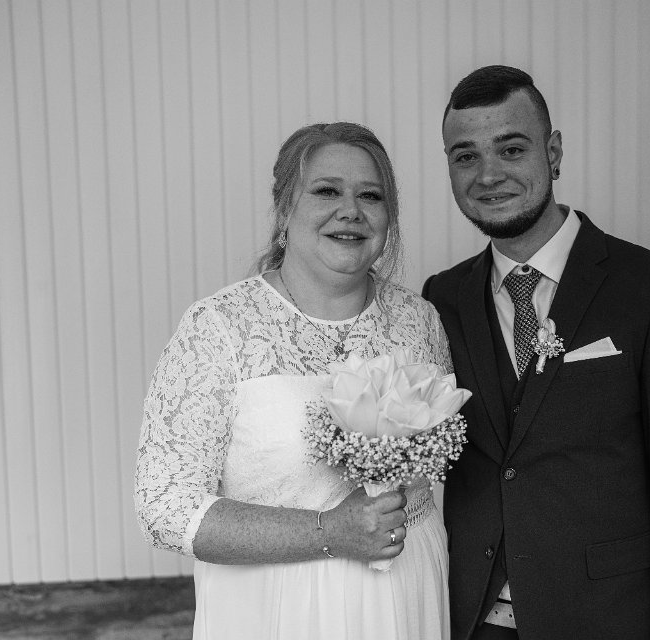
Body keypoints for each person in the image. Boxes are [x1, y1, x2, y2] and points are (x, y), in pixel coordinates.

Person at [422, 66, 650, 640]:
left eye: (511, 149)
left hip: (607, 621)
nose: (488, 175)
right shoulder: (441, 299)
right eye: (465, 156)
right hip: (470, 623)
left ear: (554, 152)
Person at [135, 122, 452, 640]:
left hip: (406, 593)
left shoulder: (419, 322)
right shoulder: (220, 327)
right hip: (275, 609)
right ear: (284, 209)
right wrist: (330, 533)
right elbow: (165, 508)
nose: (350, 211)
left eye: (370, 195)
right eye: (326, 190)